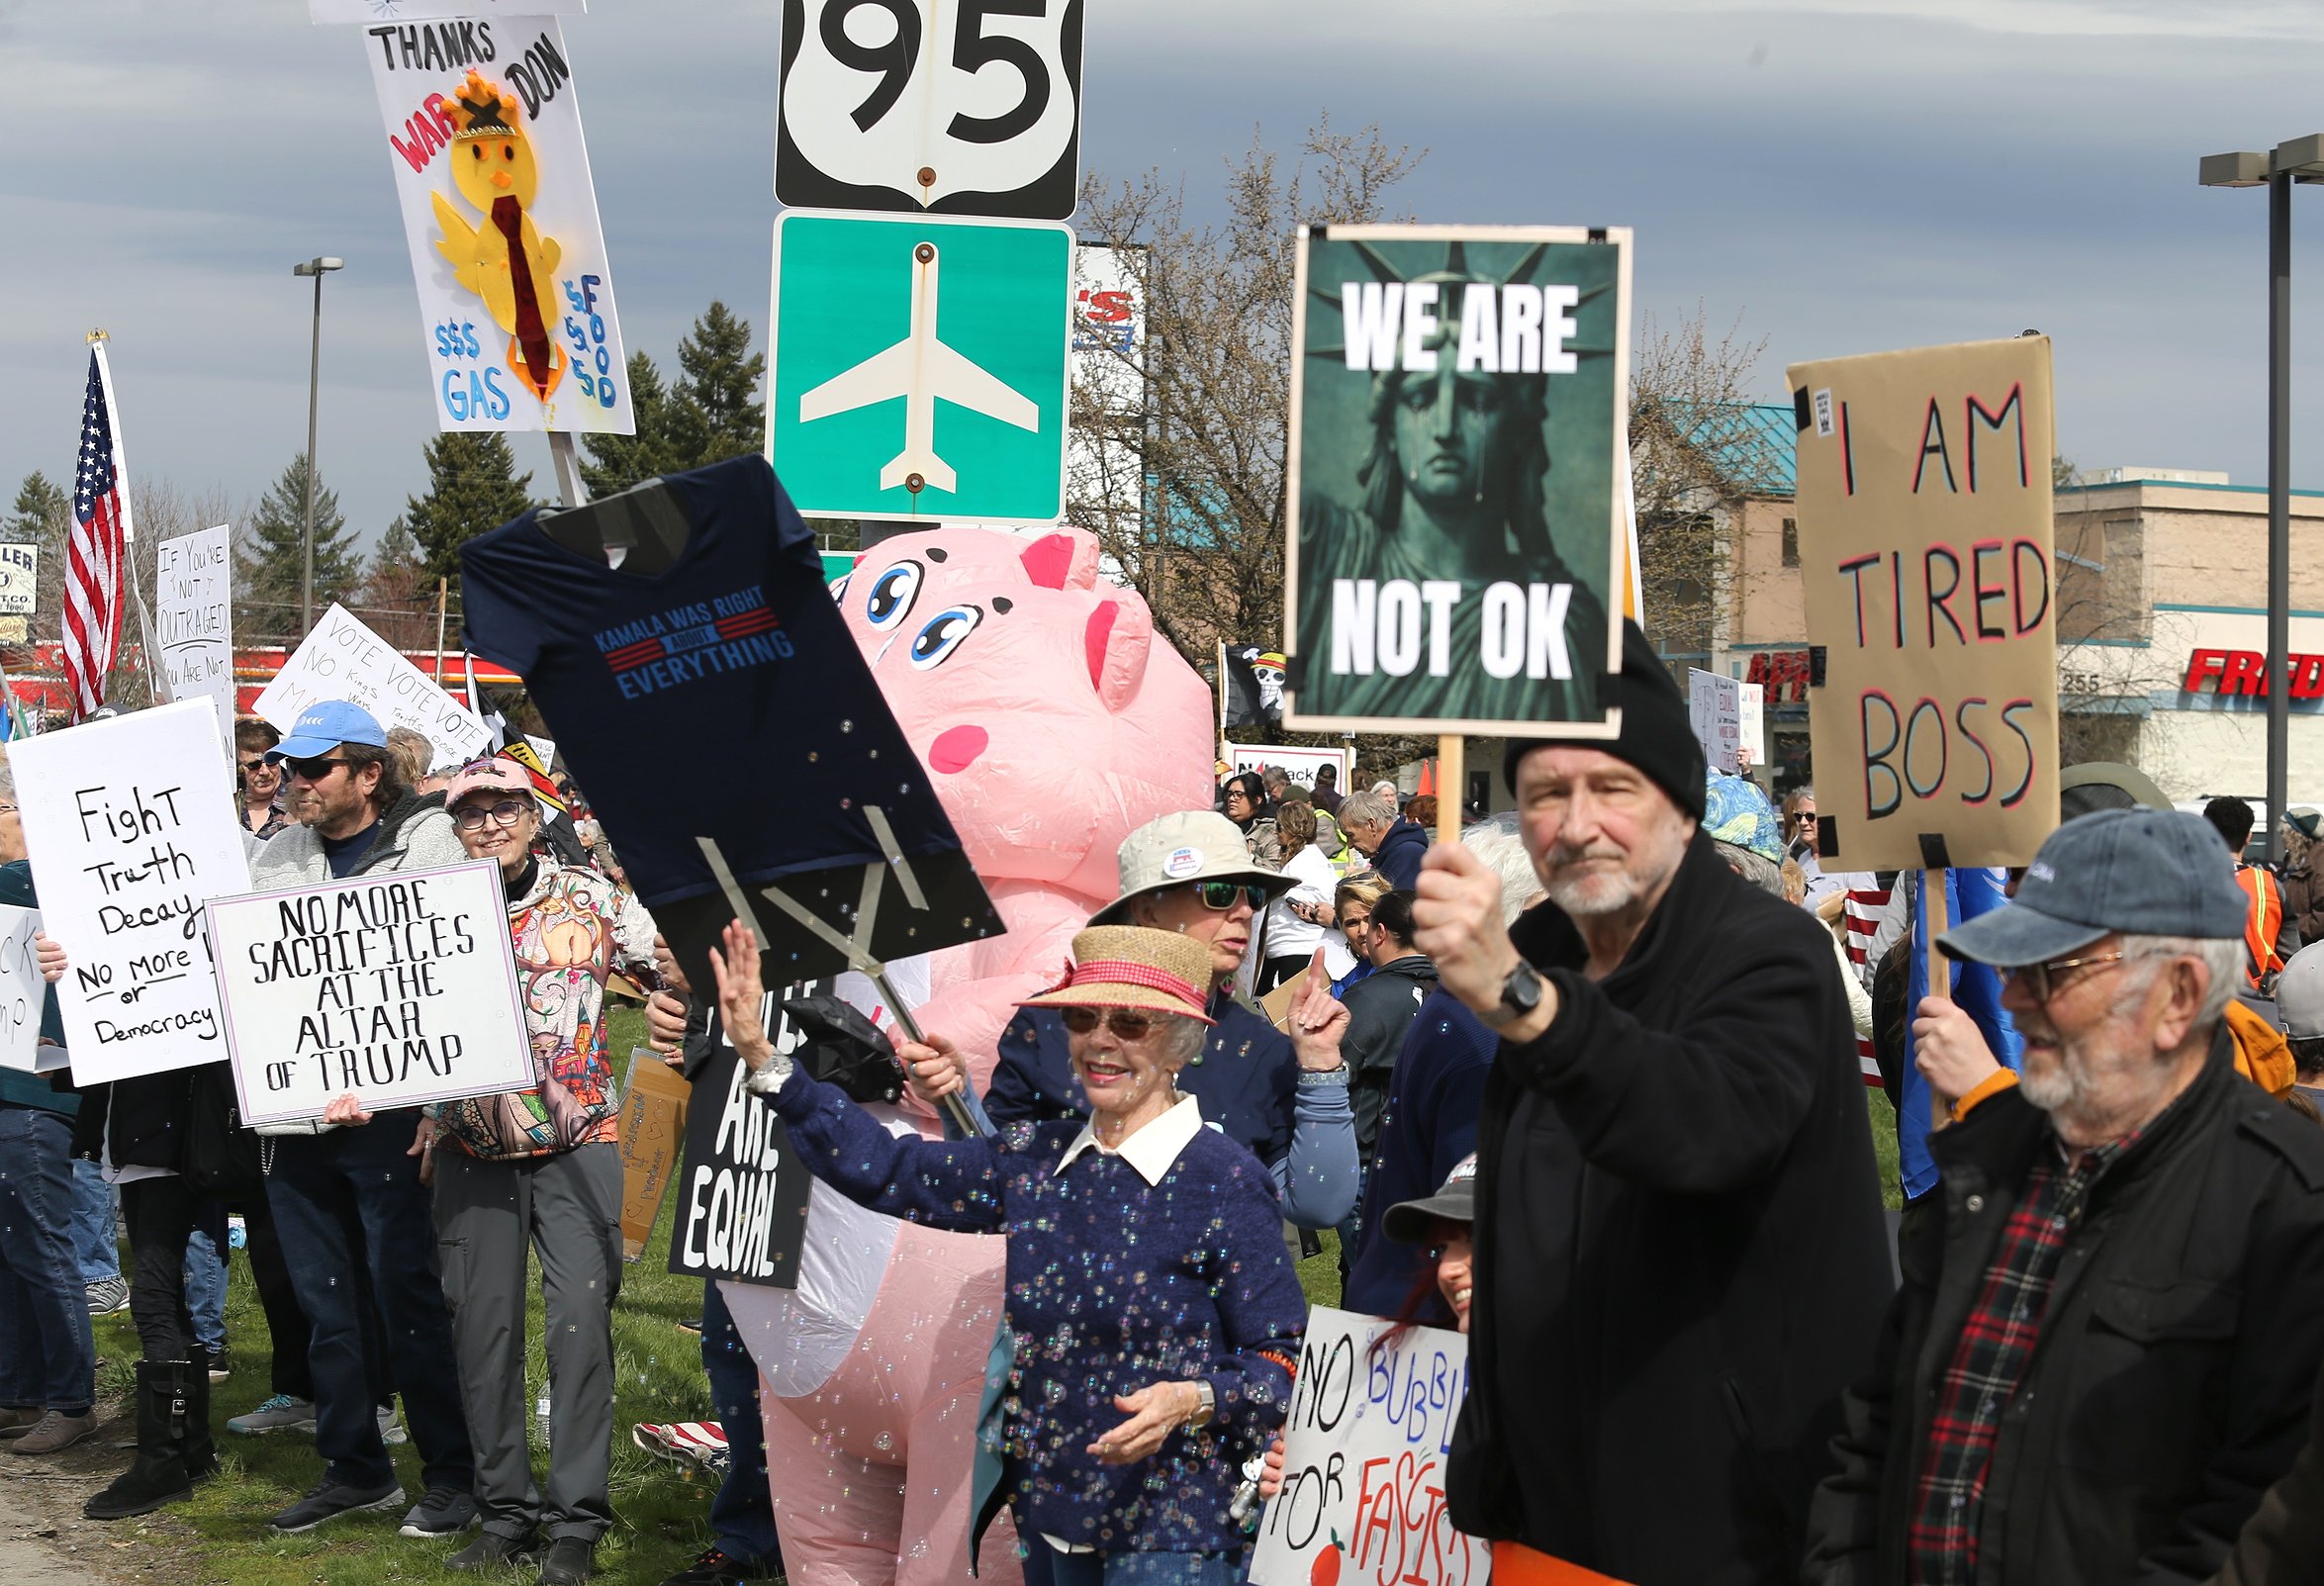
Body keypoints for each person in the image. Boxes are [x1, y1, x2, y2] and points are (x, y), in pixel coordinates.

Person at [1410, 619, 1893, 1586]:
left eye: (1612, 788)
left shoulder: (1770, 953)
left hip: (1729, 1527)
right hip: (1550, 1520)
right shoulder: (1543, 948)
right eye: (1545, 794)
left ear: (1680, 802)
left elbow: (1702, 1127)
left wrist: (1525, 1004)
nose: (1576, 824)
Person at [1803, 808, 2324, 1586]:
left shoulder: (2286, 1208)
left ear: (2177, 995)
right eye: (2014, 964)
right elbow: (1878, 1427)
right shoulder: (1985, 1159)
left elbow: (2259, 1531)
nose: (2011, 997)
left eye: (2052, 970)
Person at [712, 919, 1308, 1586]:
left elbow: (1283, 1359)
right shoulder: (1036, 1159)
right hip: (1050, 1517)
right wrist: (765, 1059)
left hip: (1174, 1534)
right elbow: (888, 1169)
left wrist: (1192, 1397)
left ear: (1180, 1043)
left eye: (1129, 1023)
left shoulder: (1224, 1180)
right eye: (1082, 1018)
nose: (1100, 1041)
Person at [405, 757, 655, 1581]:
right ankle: (505, 1510)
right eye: (472, 813)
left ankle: (576, 1520)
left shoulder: (590, 895)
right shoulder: (427, 910)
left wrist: (681, 978)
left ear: (532, 813)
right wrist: (409, 1103)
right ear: (455, 826)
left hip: (580, 1142)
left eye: (505, 808)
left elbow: (669, 959)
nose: (490, 825)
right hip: (470, 1147)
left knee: (580, 1324)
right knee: (483, 1332)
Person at [242, 701, 478, 1539]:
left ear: (369, 774)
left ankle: (452, 1473)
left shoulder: (431, 846)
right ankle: (355, 1467)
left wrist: (433, 1103)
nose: (294, 781)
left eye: (315, 768)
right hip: (297, 1117)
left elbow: (454, 978)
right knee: (325, 1303)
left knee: (406, 1291)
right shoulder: (276, 854)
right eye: (289, 768)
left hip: (393, 1116)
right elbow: (234, 963)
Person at [980, 811, 1358, 1232]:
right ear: (1147, 909)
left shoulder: (1263, 1049)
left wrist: (1322, 1068)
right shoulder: (1056, 1025)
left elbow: (1319, 1206)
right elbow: (989, 1181)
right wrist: (951, 1099)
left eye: (1252, 894)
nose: (1244, 911)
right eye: (1219, 892)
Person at [1340, 824, 1532, 1320]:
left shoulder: (1461, 1008)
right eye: (1549, 914)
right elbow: (1467, 1203)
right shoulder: (1481, 1031)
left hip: (1400, 1294)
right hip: (1434, 1315)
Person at [0, 765, 97, 1458]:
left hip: (37, 1092)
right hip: (13, 1090)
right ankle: (22, 1389)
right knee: (12, 1248)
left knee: (40, 1244)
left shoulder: (48, 885)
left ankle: (70, 1399)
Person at [1338, 889, 1436, 1171]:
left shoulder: (1367, 998)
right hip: (1428, 1156)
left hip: (1367, 1162)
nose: (1363, 934)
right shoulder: (1454, 994)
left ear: (1380, 933)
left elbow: (1328, 1071)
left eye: (1367, 926)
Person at [2205, 794, 2300, 992]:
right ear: (2249, 837)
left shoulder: (2185, 881)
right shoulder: (2269, 886)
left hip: (2203, 996)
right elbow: (2293, 955)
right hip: (2256, 998)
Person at [1257, 800, 1338, 992]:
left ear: (1291, 828)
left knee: (1289, 1007)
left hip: (1298, 948)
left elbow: (1319, 896)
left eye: (1279, 827)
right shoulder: (1299, 858)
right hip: (1283, 947)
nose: (1275, 832)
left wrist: (1284, 891)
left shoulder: (1310, 860)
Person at [1340, 789, 1428, 890]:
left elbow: (1397, 900)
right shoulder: (1389, 854)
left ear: (1371, 825)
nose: (1350, 845)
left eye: (1350, 835)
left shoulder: (1407, 853)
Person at [1329, 873, 1392, 997]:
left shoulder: (1424, 968)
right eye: (1352, 923)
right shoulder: (1343, 989)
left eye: (1369, 919)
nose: (1363, 931)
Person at [236, 716, 289, 838]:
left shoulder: (300, 800)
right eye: (254, 765)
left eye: (271, 761)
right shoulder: (222, 804)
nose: (264, 771)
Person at [1220, 771, 1280, 867]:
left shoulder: (1271, 832)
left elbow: (1275, 868)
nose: (1231, 799)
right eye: (1229, 794)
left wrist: (1249, 858)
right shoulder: (1219, 828)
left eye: (1239, 794)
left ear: (1257, 800)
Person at [2282, 807, 2323, 948]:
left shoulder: (2320, 866)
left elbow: (2320, 920)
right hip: (2294, 946)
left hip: (2311, 952)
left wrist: (2285, 927)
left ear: (2296, 836)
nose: (2282, 838)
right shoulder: (2292, 863)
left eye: (2283, 833)